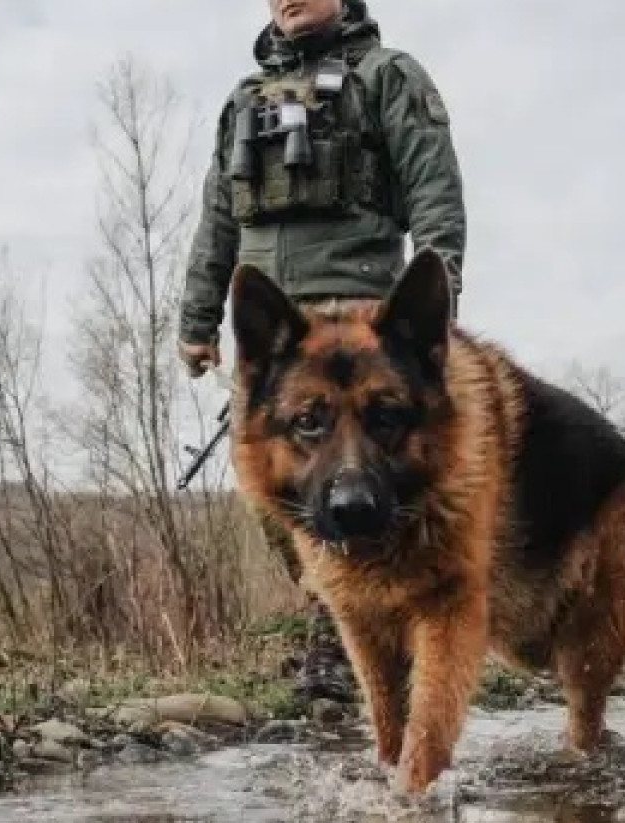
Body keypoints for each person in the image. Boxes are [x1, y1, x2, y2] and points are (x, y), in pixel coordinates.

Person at [177, 0, 467, 702]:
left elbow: (435, 191)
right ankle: (343, 619)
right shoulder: (243, 101)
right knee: (270, 494)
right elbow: (219, 216)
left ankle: (356, 640)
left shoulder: (388, 75)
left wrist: (437, 300)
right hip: (269, 335)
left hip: (358, 318)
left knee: (363, 476)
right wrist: (197, 317)